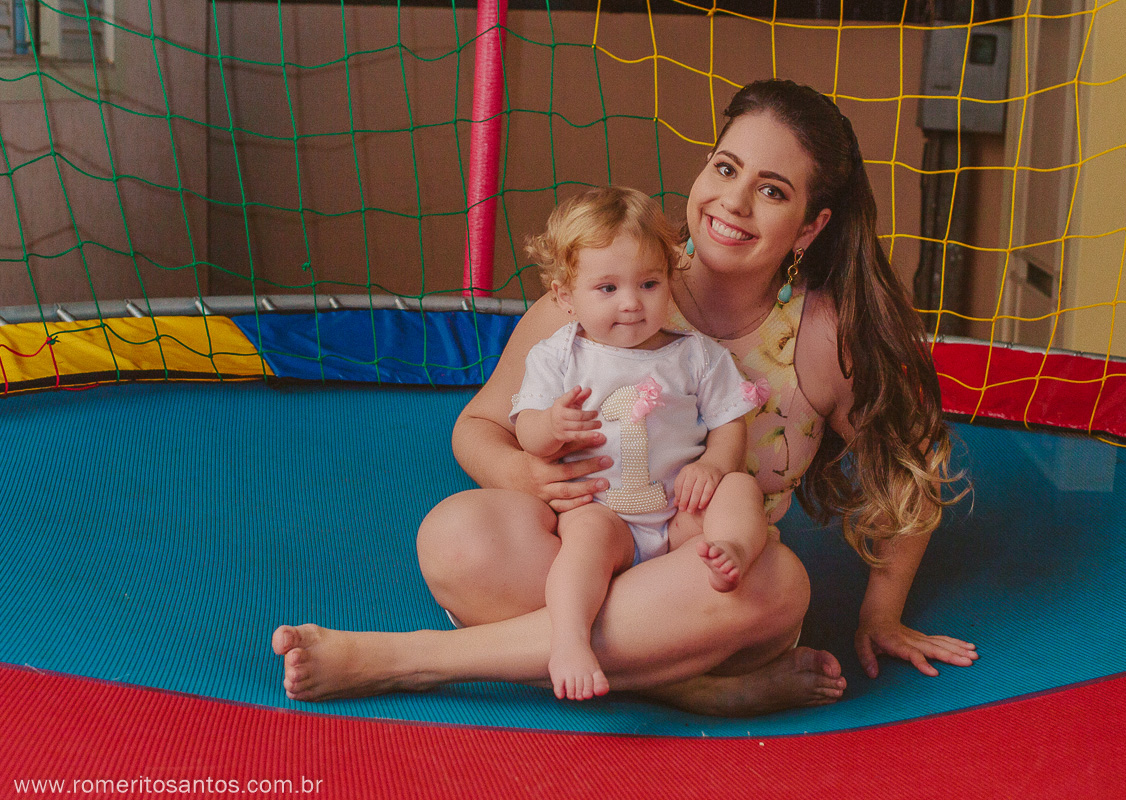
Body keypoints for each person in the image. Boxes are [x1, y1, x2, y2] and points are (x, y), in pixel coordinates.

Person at [272, 79, 978, 715]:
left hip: (706, 591)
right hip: (582, 549)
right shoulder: (610, 283)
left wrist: (881, 614)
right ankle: (685, 685)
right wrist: (527, 473)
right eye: (725, 168)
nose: (732, 201)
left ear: (811, 226)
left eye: (773, 190)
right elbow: (477, 426)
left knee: (779, 583)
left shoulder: (824, 338)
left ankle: (408, 660)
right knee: (455, 536)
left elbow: (907, 468)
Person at [513, 186, 769, 701]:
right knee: (583, 538)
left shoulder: (697, 355)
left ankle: (732, 553)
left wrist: (716, 466)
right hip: (606, 514)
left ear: (669, 281)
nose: (631, 303)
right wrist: (552, 427)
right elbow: (525, 429)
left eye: (649, 283)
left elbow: (728, 420)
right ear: (566, 295)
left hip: (681, 512)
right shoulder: (558, 356)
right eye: (607, 288)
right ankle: (568, 639)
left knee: (741, 489)